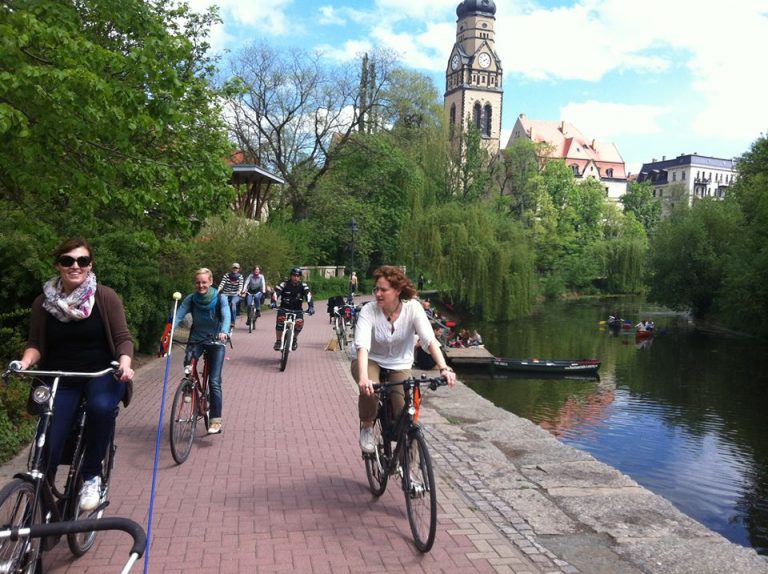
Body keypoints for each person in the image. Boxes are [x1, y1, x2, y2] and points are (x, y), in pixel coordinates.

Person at [13, 238, 134, 511]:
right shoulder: (43, 303)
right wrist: (24, 363)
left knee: (100, 407)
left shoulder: (105, 297)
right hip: (61, 378)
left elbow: (123, 338)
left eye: (82, 261)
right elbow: (35, 344)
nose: (75, 266)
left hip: (100, 375)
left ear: (90, 266)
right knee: (50, 440)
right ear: (58, 265)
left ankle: (92, 475)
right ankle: (41, 497)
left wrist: (125, 364)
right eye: (67, 261)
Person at [354, 266, 456, 454]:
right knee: (370, 389)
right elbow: (362, 347)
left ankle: (406, 458)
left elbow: (429, 340)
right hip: (371, 360)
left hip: (400, 364)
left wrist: (444, 367)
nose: (378, 293)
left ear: (398, 291)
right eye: (376, 289)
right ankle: (367, 427)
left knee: (405, 412)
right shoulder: (369, 311)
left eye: (383, 290)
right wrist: (363, 377)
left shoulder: (413, 308)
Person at [175, 268, 231, 435]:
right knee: (188, 364)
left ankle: (215, 420)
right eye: (198, 282)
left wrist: (225, 332)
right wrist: (169, 332)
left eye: (204, 282)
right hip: (197, 339)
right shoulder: (191, 299)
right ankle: (188, 387)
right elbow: (179, 315)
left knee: (214, 381)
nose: (201, 285)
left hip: (216, 340)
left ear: (211, 282)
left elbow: (226, 316)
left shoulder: (221, 298)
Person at [271, 267, 315, 351]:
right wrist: (273, 302)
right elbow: (276, 293)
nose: (296, 277)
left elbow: (308, 295)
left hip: (297, 310)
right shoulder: (284, 284)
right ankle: (278, 341)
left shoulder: (303, 286)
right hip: (284, 309)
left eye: (298, 276)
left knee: (299, 324)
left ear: (300, 277)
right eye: (294, 275)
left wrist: (311, 306)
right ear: (291, 276)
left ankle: (294, 339)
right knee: (280, 322)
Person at [218, 263, 243, 331]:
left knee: (233, 303)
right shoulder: (227, 275)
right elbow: (222, 284)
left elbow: (240, 286)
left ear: (238, 269)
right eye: (234, 268)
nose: (235, 269)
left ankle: (232, 321)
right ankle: (219, 319)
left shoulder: (240, 276)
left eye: (236, 268)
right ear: (231, 268)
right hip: (225, 294)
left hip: (235, 294)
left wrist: (239, 291)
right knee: (221, 303)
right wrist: (218, 290)